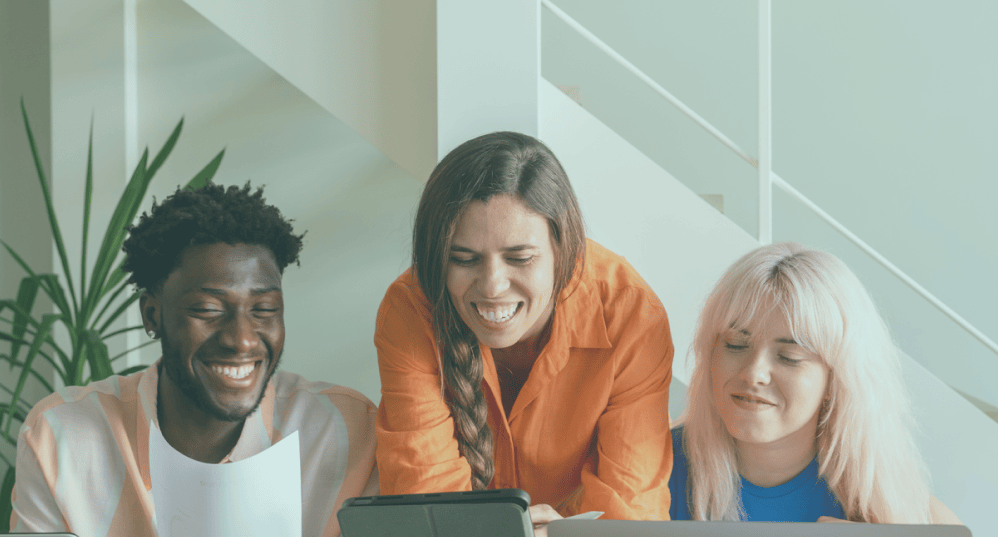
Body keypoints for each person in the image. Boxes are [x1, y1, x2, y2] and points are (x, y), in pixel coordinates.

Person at [9, 183, 378, 536]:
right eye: (207, 309)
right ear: (152, 315)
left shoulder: (346, 432)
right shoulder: (62, 437)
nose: (242, 339)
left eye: (264, 309)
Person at [374, 131, 675, 527]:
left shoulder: (632, 315)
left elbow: (631, 517)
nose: (493, 286)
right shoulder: (410, 309)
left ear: (563, 249)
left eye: (520, 258)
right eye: (463, 259)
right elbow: (428, 506)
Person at [669, 242, 960, 524]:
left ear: (836, 380)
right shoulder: (654, 466)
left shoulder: (886, 498)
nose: (754, 373)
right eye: (735, 344)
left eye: (789, 357)